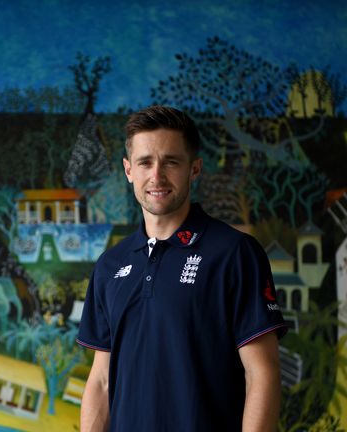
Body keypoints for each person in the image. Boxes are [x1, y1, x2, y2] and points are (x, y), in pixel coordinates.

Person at [77, 106, 287, 431]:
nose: (157, 176)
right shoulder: (110, 266)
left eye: (171, 162)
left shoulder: (234, 253)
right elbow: (101, 380)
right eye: (145, 162)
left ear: (195, 168)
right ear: (128, 169)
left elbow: (263, 372)